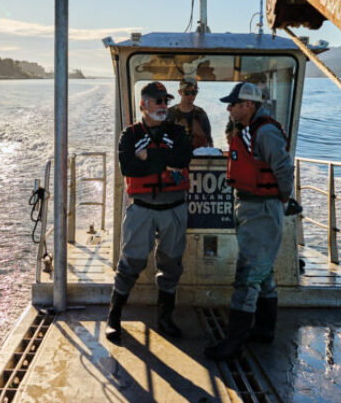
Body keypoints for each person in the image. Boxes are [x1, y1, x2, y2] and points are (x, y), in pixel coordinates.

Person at [205, 82, 294, 361]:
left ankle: (233, 343)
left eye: (233, 104)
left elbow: (283, 168)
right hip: (251, 206)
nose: (228, 108)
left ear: (249, 105)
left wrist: (281, 198)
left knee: (247, 277)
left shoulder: (265, 132)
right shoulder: (246, 130)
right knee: (263, 274)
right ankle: (264, 330)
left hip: (261, 210)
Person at [107, 81, 193, 343]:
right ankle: (114, 317)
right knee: (130, 262)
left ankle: (165, 319)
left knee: (171, 264)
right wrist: (163, 163)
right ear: (143, 105)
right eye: (157, 101)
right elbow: (129, 168)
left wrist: (148, 158)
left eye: (165, 101)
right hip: (142, 209)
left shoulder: (178, 133)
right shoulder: (129, 135)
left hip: (173, 208)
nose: (163, 106)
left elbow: (182, 160)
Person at [166, 77, 213, 149]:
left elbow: (209, 141)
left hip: (197, 158)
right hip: (175, 157)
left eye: (194, 93)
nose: (191, 96)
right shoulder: (169, 113)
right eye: (187, 93)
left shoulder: (201, 114)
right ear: (180, 92)